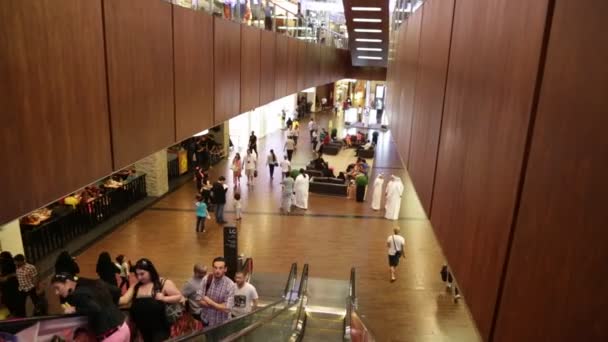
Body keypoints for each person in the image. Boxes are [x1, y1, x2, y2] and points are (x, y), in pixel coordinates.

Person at [52, 273, 130, 341]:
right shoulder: (94, 283)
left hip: (111, 336)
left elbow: (95, 308)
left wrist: (74, 309)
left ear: (67, 283)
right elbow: (116, 290)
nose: (56, 292)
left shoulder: (77, 294)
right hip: (123, 327)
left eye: (57, 288)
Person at [119, 258, 183, 342]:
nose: (139, 277)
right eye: (137, 275)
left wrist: (164, 298)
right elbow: (124, 300)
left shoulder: (163, 283)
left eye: (142, 274)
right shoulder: (136, 286)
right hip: (143, 329)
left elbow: (179, 296)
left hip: (160, 330)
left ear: (150, 271)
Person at [200, 257, 236, 327]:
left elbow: (227, 309)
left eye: (220, 268)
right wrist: (220, 305)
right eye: (215, 268)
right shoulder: (206, 279)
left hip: (222, 323)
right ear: (212, 268)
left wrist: (209, 301)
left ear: (225, 269)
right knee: (208, 338)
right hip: (206, 320)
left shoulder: (230, 285)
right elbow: (198, 301)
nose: (217, 270)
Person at [0, 252, 19, 317]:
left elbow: (15, 273)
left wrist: (7, 277)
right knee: (6, 299)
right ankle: (12, 312)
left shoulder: (12, 263)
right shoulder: (2, 263)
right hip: (5, 285)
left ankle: (15, 312)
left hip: (11, 284)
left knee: (11, 299)